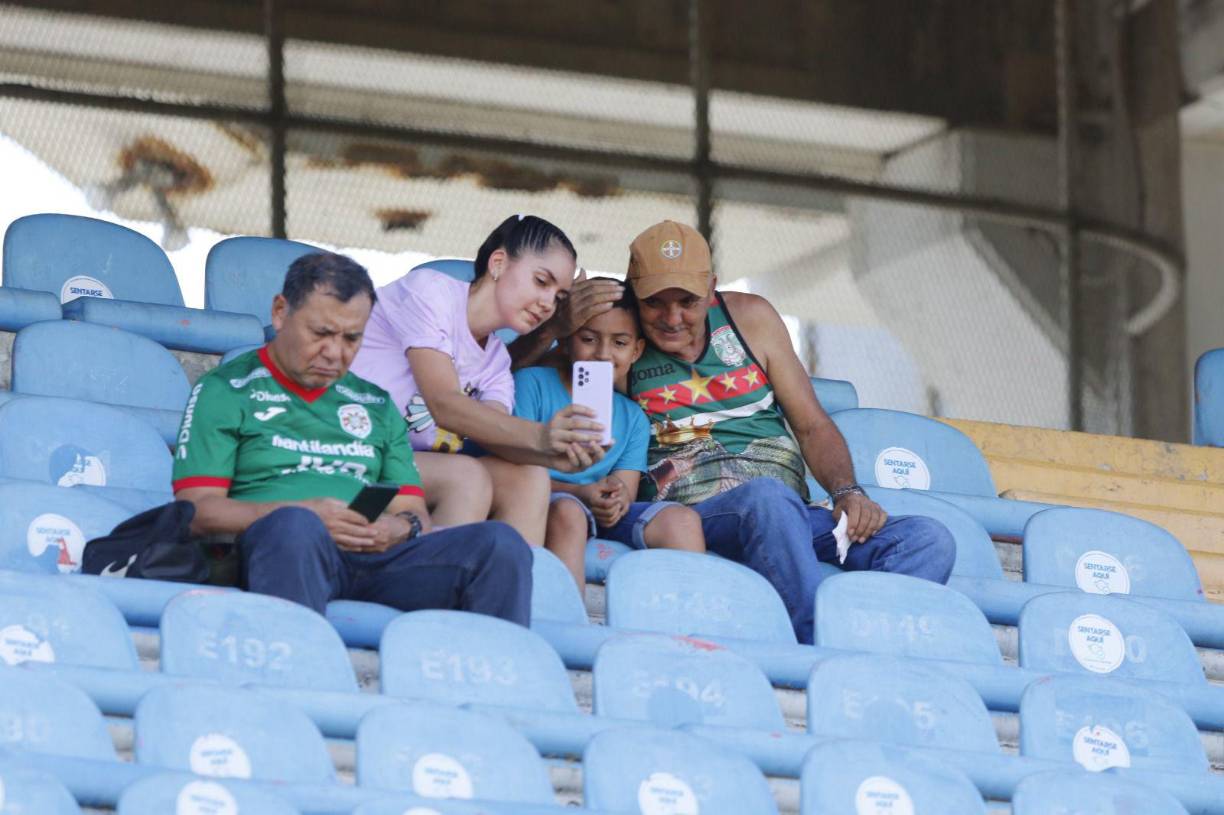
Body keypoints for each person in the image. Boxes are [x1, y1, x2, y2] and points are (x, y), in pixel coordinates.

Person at [513, 220, 956, 644]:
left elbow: (812, 423)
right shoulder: (619, 345)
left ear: (711, 290)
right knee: (766, 498)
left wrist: (847, 492)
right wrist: (558, 326)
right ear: (633, 296)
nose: (671, 317)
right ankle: (812, 646)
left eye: (686, 301)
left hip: (789, 517)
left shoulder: (751, 318)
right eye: (654, 303)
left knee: (927, 540)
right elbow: (508, 379)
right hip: (699, 514)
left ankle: (870, 645)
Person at [173, 252, 532, 624]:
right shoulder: (226, 389)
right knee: (296, 527)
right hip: (280, 548)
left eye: (351, 338)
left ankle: (493, 678)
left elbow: (413, 513)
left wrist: (396, 528)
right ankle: (295, 669)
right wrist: (300, 513)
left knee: (500, 546)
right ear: (280, 312)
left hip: (369, 556)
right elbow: (196, 512)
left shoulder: (374, 402)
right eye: (321, 333)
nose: (334, 352)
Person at [350, 215, 605, 547]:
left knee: (528, 478)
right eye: (542, 281)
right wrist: (541, 437)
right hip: (344, 463)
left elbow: (493, 431)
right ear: (498, 263)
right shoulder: (431, 292)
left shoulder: (497, 361)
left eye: (559, 298)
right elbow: (443, 404)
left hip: (402, 478)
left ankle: (504, 593)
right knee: (466, 475)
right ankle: (430, 587)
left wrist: (552, 457)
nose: (547, 305)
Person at [513, 279, 705, 589]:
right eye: (588, 339)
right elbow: (513, 474)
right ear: (564, 341)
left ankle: (695, 627)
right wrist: (581, 494)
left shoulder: (632, 417)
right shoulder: (531, 384)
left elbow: (624, 487)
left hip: (603, 514)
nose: (603, 354)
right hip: (549, 503)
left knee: (682, 521)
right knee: (569, 513)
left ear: (636, 351)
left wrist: (613, 498)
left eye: (619, 343)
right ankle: (567, 621)